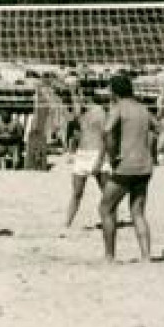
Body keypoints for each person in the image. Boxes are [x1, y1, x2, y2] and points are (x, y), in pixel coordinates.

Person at [94, 73, 156, 262]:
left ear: (114, 91)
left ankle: (109, 256)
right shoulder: (143, 109)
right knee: (137, 212)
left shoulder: (118, 107)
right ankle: (146, 257)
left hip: (125, 166)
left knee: (105, 208)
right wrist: (155, 151)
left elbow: (106, 131)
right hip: (144, 166)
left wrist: (112, 155)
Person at [63, 89, 111, 227]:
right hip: (88, 154)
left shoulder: (98, 114)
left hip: (90, 153)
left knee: (80, 193)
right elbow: (79, 132)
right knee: (104, 193)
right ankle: (67, 223)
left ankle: (68, 223)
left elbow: (104, 138)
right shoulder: (90, 114)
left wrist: (100, 159)